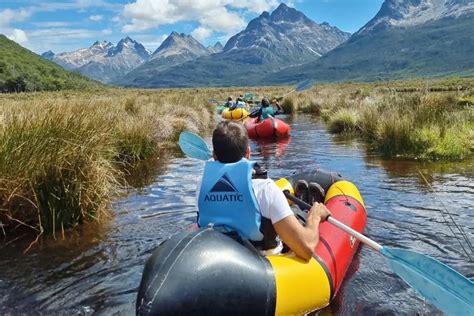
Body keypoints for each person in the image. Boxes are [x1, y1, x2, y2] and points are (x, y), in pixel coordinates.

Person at [196, 121, 331, 261]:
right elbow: (306, 249)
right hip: (261, 264)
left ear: (214, 155)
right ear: (248, 152)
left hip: (217, 258)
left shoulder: (202, 184)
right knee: (298, 214)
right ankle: (304, 209)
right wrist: (315, 217)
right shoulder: (266, 189)